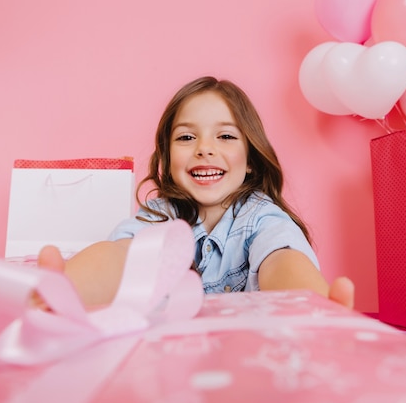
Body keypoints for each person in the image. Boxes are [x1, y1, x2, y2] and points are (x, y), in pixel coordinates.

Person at [37, 76, 354, 309]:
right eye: (187, 138)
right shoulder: (160, 216)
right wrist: (67, 290)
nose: (204, 149)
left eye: (226, 136)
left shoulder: (261, 217)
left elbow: (282, 260)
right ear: (168, 156)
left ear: (250, 162)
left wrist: (312, 308)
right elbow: (120, 257)